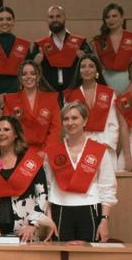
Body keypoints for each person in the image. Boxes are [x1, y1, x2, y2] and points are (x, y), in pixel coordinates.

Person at [0, 116, 51, 243]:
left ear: (16, 135)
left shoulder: (31, 162)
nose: (1, 133)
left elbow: (42, 195)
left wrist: (32, 224)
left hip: (25, 232)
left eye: (6, 130)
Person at [45, 102, 116, 242]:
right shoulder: (53, 151)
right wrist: (48, 217)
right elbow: (47, 187)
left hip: (89, 209)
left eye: (74, 118)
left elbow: (107, 186)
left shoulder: (98, 150)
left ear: (85, 121)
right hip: (60, 210)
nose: (70, 122)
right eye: (66, 119)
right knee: (60, 259)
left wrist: (104, 219)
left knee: (88, 259)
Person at [63, 54, 120, 161]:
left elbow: (114, 123)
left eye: (91, 66)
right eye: (83, 66)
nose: (87, 69)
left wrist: (105, 145)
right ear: (79, 71)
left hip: (105, 144)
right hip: (79, 146)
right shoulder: (70, 95)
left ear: (97, 70)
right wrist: (78, 145)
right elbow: (68, 125)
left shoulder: (109, 93)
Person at [0, 61, 61, 155]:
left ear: (38, 77)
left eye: (33, 73)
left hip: (45, 151)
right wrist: (18, 151)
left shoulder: (51, 99)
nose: (28, 77)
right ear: (20, 78)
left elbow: (55, 129)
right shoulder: (10, 100)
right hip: (18, 151)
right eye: (24, 74)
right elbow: (6, 130)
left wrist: (45, 151)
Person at [0, 6, 32, 100]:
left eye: (8, 19)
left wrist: (9, 94)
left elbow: (24, 73)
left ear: (13, 22)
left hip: (17, 93)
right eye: (0, 19)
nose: (4, 22)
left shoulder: (23, 45)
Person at [35, 5, 91, 92]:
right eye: (51, 17)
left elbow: (92, 63)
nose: (55, 20)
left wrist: (84, 58)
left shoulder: (79, 43)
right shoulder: (40, 45)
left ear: (64, 18)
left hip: (75, 91)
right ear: (47, 20)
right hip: (48, 92)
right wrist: (36, 62)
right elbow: (29, 67)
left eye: (58, 16)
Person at [93, 3, 132, 94]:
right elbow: (96, 70)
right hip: (105, 85)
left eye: (114, 16)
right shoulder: (98, 41)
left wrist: (128, 91)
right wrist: (107, 89)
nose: (111, 19)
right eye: (107, 17)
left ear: (122, 18)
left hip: (131, 85)